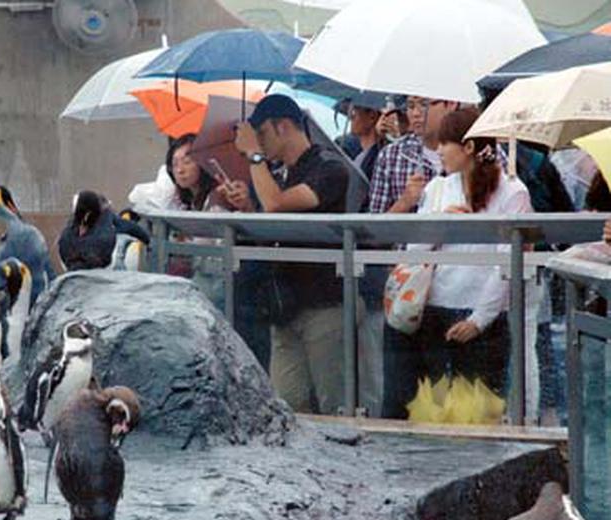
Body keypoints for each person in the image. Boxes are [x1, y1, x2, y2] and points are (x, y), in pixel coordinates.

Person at [382, 108, 533, 419]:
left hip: (484, 319)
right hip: (433, 311)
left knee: (476, 416)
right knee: (431, 415)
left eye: (444, 143)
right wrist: (442, 223)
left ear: (468, 147)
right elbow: (415, 251)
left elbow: (506, 265)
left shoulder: (513, 192)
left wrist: (479, 320)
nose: (438, 151)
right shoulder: (438, 187)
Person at [224, 94, 360, 414]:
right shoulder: (280, 173)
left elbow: (277, 206)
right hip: (284, 307)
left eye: (263, 135)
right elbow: (271, 222)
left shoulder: (329, 167)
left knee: (335, 405)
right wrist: (247, 207)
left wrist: (255, 158)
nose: (260, 144)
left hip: (325, 306)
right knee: (287, 405)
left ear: (283, 127)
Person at [368, 96, 460, 213]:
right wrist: (405, 202)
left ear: (451, 104)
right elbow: (375, 226)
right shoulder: (392, 156)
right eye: (410, 106)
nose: (415, 113)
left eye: (424, 104)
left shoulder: (467, 153)